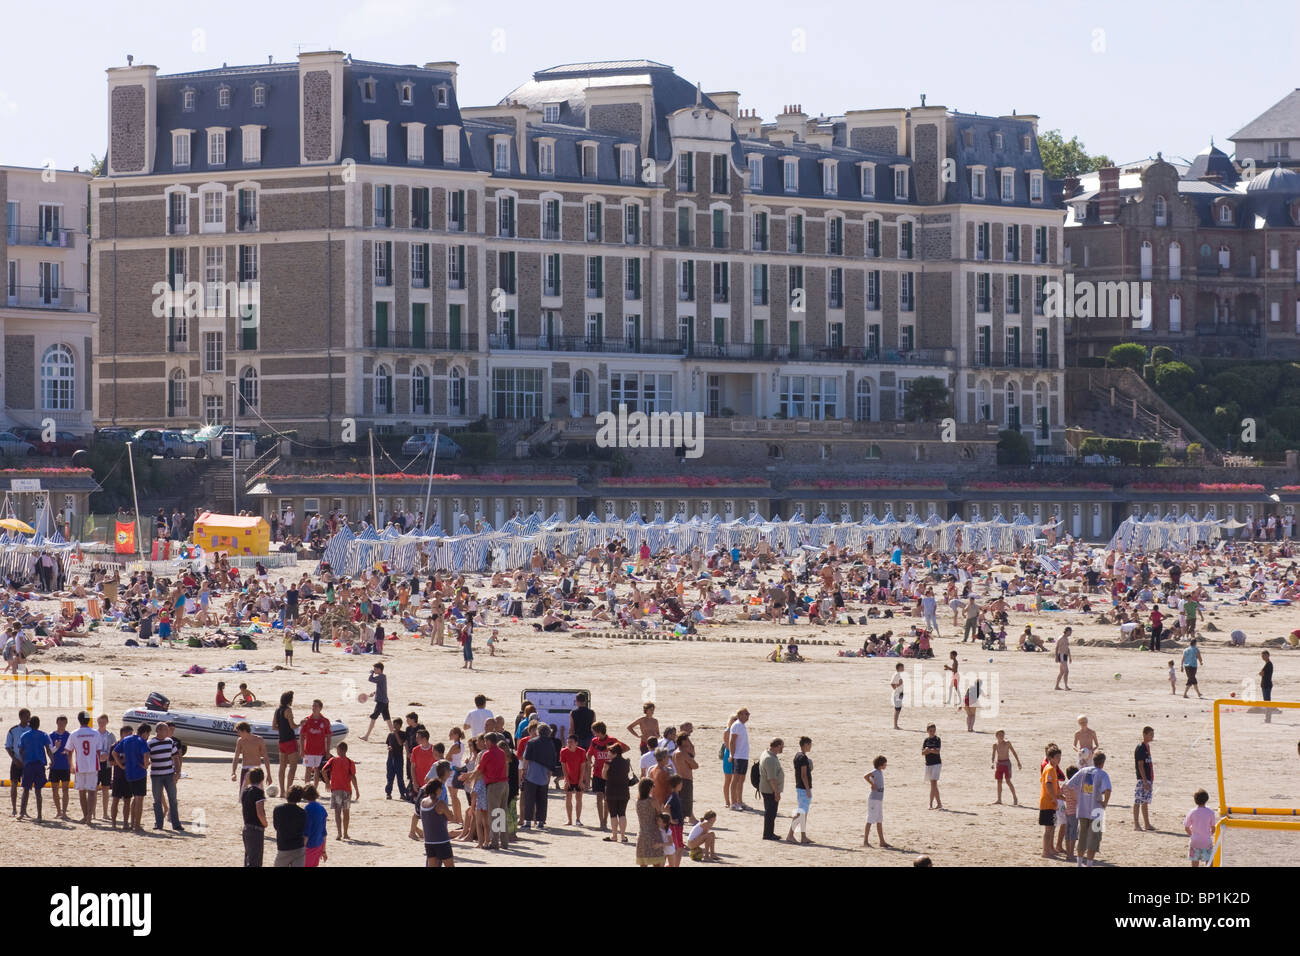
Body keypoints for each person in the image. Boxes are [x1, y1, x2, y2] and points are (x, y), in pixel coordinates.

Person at [1063, 752, 1112, 867]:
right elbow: (1108, 790)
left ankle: (1079, 864)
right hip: (1096, 811)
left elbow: (1069, 785)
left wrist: (1079, 797)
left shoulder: (1083, 770)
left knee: (1082, 838)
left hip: (1083, 809)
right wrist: (1105, 803)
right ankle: (1089, 864)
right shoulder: (1103, 774)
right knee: (1094, 839)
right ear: (1102, 763)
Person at [113, 723, 151, 833]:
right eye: (148, 734)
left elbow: (114, 752)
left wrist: (121, 765)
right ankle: (136, 825)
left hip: (128, 773)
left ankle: (133, 823)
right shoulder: (141, 741)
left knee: (133, 799)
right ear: (145, 733)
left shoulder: (126, 739)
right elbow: (146, 754)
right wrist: (145, 765)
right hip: (139, 773)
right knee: (139, 799)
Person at [519, 724, 558, 830]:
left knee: (529, 799)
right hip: (544, 774)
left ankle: (527, 822)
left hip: (532, 773)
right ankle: (540, 822)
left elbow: (526, 758)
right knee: (542, 799)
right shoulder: (550, 743)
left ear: (538, 731)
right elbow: (553, 758)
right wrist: (550, 772)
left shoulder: (531, 742)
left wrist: (524, 771)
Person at [148, 721, 183, 831]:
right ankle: (158, 824)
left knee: (173, 799)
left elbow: (176, 757)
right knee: (157, 800)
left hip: (169, 774)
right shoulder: (150, 743)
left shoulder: (170, 741)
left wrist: (177, 772)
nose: (168, 732)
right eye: (165, 729)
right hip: (156, 775)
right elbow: (146, 757)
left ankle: (176, 824)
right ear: (158, 731)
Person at [419, 763, 455, 867]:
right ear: (438, 789)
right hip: (442, 840)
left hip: (429, 841)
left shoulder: (423, 802)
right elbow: (451, 817)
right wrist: (449, 813)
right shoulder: (440, 803)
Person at [17, 715, 53, 821]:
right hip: (39, 764)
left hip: (28, 764)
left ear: (29, 724)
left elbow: (20, 750)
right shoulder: (43, 735)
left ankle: (21, 813)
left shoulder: (24, 735)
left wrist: (24, 761)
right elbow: (48, 749)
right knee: (38, 791)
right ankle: (39, 815)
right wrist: (52, 760)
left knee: (26, 790)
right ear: (38, 724)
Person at [478, 732, 510, 849]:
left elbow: (479, 770)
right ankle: (505, 842)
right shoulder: (502, 752)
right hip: (504, 784)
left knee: (495, 815)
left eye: (486, 741)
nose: (485, 743)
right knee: (502, 813)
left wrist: (468, 777)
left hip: (494, 786)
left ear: (490, 741)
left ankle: (495, 842)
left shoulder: (487, 754)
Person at [322, 741, 359, 840]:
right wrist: (357, 790)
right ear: (346, 750)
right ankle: (346, 833)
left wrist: (327, 782)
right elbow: (353, 777)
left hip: (336, 789)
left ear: (338, 750)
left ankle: (339, 834)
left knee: (337, 812)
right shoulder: (350, 762)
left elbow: (323, 770)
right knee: (346, 812)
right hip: (347, 790)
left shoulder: (333, 760)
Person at [68, 712, 101, 824]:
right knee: (92, 791)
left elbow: (69, 751)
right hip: (92, 765)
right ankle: (89, 817)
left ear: (79, 720)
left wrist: (71, 765)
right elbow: (98, 751)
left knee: (82, 791)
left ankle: (85, 815)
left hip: (80, 765)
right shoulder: (95, 733)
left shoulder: (74, 733)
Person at [602, 743, 634, 844]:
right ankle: (623, 836)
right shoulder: (626, 762)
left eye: (610, 751)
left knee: (613, 814)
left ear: (615, 753)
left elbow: (603, 776)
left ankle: (614, 836)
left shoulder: (608, 763)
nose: (608, 753)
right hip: (624, 790)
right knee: (622, 813)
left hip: (611, 789)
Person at [298, 699, 332, 787]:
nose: (313, 708)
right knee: (308, 769)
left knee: (317, 770)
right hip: (308, 750)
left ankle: (315, 790)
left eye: (316, 706)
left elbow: (328, 737)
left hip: (320, 750)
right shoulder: (307, 720)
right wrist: (301, 749)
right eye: (313, 706)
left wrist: (327, 751)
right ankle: (306, 788)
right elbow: (301, 736)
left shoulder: (325, 721)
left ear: (320, 708)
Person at [231, 722, 272, 795]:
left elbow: (265, 757)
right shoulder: (240, 741)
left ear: (244, 731)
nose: (238, 734)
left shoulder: (259, 740)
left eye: (239, 732)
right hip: (245, 769)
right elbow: (236, 757)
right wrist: (233, 772)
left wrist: (269, 774)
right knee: (244, 795)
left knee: (258, 795)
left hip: (257, 770)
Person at [272, 785, 308, 867]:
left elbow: (276, 827)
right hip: (298, 848)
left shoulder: (278, 809)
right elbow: (304, 830)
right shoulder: (302, 812)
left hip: (283, 847)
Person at [786, 736, 813, 844]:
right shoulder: (803, 758)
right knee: (801, 813)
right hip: (803, 788)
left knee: (803, 813)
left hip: (800, 787)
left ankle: (803, 836)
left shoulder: (798, 756)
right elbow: (803, 775)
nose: (810, 747)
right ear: (805, 744)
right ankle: (790, 835)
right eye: (810, 744)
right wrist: (807, 789)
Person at [758, 738, 785, 841]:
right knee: (770, 813)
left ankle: (769, 833)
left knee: (770, 812)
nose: (782, 749)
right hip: (770, 790)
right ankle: (768, 834)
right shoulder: (770, 759)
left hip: (767, 789)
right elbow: (771, 778)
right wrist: (776, 792)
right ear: (777, 746)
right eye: (782, 747)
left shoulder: (767, 754)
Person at [241, 768, 269, 867]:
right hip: (256, 829)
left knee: (248, 857)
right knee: (255, 860)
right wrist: (265, 823)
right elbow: (260, 813)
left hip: (246, 827)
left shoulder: (245, 792)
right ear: (262, 779)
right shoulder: (258, 793)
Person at [1039, 744, 1063, 859]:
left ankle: (1049, 849)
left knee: (1052, 827)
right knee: (1048, 829)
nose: (1059, 759)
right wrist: (1054, 798)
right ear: (1051, 758)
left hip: (1052, 803)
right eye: (1057, 757)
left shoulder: (1053, 769)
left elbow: (1053, 786)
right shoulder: (1049, 768)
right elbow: (1048, 785)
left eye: (1060, 757)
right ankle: (1045, 851)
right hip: (1047, 803)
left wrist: (1060, 797)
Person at [634, 778, 665, 867]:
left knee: (643, 863)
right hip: (653, 833)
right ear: (649, 788)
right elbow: (659, 816)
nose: (653, 788)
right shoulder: (652, 800)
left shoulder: (638, 802)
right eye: (653, 786)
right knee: (657, 863)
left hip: (642, 834)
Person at [6, 708, 31, 816]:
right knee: (14, 785)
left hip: (28, 762)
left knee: (26, 787)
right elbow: (8, 747)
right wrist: (14, 759)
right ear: (20, 717)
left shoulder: (31, 729)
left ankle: (24, 810)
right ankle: (14, 809)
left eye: (29, 716)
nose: (28, 718)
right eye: (26, 716)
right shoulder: (13, 730)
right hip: (16, 762)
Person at [272, 691, 299, 794]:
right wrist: (301, 724)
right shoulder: (288, 710)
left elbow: (274, 726)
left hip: (281, 741)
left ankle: (282, 791)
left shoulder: (277, 710)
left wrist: (282, 728)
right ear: (289, 700)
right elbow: (292, 726)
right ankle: (288, 790)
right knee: (293, 767)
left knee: (282, 767)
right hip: (290, 741)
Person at [360, 663, 394, 740]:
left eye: (375, 669)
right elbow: (382, 689)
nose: (374, 671)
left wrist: (371, 673)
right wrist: (374, 693)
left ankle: (366, 736)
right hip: (384, 701)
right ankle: (394, 735)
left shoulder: (381, 677)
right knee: (388, 719)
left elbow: (370, 679)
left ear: (379, 669)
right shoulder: (382, 677)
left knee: (373, 718)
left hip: (381, 702)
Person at [726, 708, 751, 811]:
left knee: (741, 780)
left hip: (744, 756)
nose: (748, 716)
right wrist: (732, 755)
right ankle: (734, 803)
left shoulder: (742, 725)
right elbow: (732, 742)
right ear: (740, 714)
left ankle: (739, 801)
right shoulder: (736, 725)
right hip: (738, 756)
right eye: (746, 714)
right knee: (735, 780)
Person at [559, 734, 587, 826]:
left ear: (576, 743)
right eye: (568, 742)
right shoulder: (563, 751)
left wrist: (580, 780)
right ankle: (569, 820)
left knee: (579, 798)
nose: (569, 744)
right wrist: (566, 780)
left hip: (579, 777)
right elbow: (563, 767)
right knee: (568, 798)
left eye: (571, 742)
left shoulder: (582, 751)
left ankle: (578, 819)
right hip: (569, 777)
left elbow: (583, 767)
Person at [47, 715, 72, 821]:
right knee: (54, 790)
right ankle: (58, 811)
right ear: (57, 723)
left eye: (64, 723)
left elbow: (71, 750)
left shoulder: (69, 736)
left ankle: (64, 812)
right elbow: (49, 751)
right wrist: (56, 748)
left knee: (65, 789)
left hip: (65, 766)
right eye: (60, 723)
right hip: (55, 766)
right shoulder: (51, 735)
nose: (62, 725)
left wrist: (71, 763)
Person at [1185, 789, 1216, 867]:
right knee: (1209, 861)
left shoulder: (1192, 812)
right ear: (1206, 800)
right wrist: (1210, 834)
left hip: (1195, 841)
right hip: (1206, 840)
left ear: (1195, 800)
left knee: (1195, 862)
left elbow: (1186, 827)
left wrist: (1192, 835)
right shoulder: (1210, 812)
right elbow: (1213, 828)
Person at [1134, 726, 1155, 831]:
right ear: (1144, 734)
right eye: (1150, 734)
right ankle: (1136, 824)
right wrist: (1145, 781)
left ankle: (1147, 824)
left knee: (1145, 801)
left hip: (1148, 779)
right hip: (1142, 779)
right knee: (1138, 801)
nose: (1152, 736)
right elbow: (1140, 765)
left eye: (1153, 734)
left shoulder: (1147, 747)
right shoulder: (1140, 747)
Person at [864, 755, 888, 848]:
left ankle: (882, 841)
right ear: (880, 764)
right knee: (870, 819)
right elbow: (866, 776)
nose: (886, 765)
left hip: (879, 799)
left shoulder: (880, 772)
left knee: (879, 820)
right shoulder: (875, 771)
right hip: (873, 799)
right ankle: (865, 841)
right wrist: (872, 784)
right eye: (885, 764)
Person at [991, 729, 1021, 805]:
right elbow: (993, 755)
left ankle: (1014, 797)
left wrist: (1018, 762)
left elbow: (1014, 752)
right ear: (996, 736)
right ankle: (999, 799)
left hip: (1006, 763)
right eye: (1000, 735)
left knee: (1008, 781)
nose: (1001, 737)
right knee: (999, 781)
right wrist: (992, 763)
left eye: (1002, 735)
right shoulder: (995, 745)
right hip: (999, 763)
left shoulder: (1007, 743)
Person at [384, 717, 409, 801]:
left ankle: (402, 793)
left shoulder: (403, 734)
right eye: (394, 725)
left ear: (400, 726)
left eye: (396, 725)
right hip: (391, 757)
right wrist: (389, 747)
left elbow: (400, 743)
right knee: (390, 776)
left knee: (400, 777)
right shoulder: (390, 735)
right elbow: (388, 743)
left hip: (399, 758)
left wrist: (396, 734)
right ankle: (388, 793)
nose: (395, 726)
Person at [303, 786, 328, 867]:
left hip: (310, 845)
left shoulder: (307, 809)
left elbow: (307, 832)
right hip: (319, 844)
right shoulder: (322, 808)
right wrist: (323, 850)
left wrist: (301, 849)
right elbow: (324, 831)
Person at [922, 723, 943, 810]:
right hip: (928, 763)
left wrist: (929, 750)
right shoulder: (926, 740)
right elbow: (922, 753)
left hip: (936, 763)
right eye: (930, 731)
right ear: (927, 731)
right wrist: (928, 751)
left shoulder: (937, 739)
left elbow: (937, 751)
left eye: (934, 731)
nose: (932, 732)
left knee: (933, 783)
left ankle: (930, 803)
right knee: (933, 784)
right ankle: (939, 803)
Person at [891, 662, 905, 729]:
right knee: (897, 710)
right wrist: (899, 685)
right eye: (902, 667)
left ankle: (896, 725)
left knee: (898, 709)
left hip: (900, 694)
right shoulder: (896, 674)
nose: (903, 668)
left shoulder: (899, 674)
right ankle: (895, 725)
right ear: (899, 668)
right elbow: (892, 685)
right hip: (897, 694)